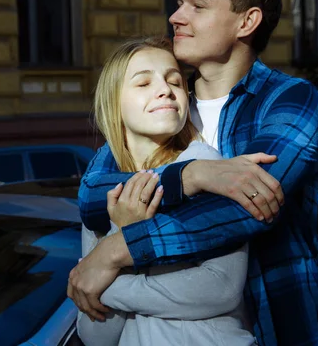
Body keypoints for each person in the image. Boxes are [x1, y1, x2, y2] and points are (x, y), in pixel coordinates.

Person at [68, 0, 318, 346]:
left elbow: (245, 207)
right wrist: (189, 176)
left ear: (246, 22)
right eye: (179, 3)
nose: (176, 17)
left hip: (282, 326)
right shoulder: (168, 108)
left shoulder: (289, 100)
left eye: (197, 5)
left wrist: (114, 251)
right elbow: (92, 195)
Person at [75, 36, 257, 345]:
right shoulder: (103, 193)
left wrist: (106, 275)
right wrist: (122, 229)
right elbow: (95, 335)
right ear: (113, 101)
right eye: (143, 83)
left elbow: (221, 290)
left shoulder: (205, 166)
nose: (165, 90)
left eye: (174, 81)